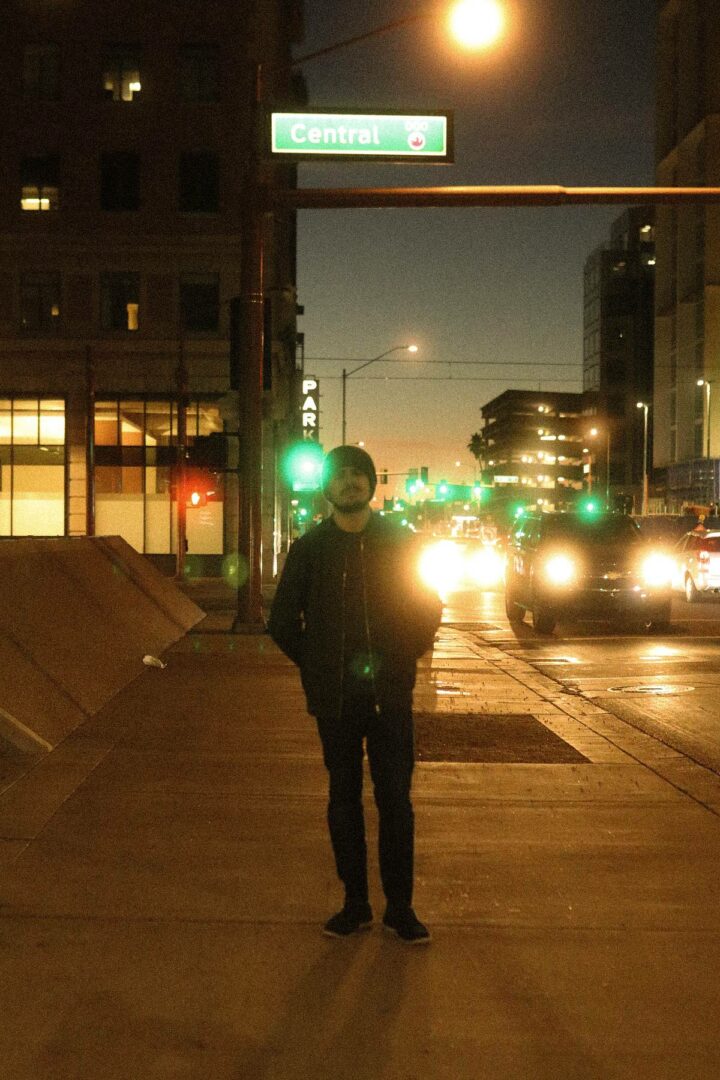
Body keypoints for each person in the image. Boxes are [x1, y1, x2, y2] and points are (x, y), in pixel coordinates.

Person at [269, 445, 442, 944]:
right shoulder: (311, 549)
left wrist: (405, 655)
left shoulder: (400, 542)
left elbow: (428, 607)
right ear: (328, 487)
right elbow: (282, 621)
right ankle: (355, 904)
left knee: (396, 800)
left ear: (371, 483)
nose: (349, 482)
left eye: (357, 474)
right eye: (340, 475)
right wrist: (318, 665)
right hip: (336, 701)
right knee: (342, 798)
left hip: (390, 697)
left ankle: (400, 908)